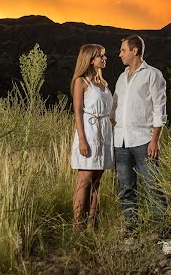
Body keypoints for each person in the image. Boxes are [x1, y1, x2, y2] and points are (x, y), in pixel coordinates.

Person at [111, 35, 171, 255]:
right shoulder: (121, 78)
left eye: (122, 50)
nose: (119, 54)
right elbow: (115, 107)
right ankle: (131, 233)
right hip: (121, 141)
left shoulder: (153, 75)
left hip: (143, 141)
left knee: (154, 188)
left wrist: (155, 139)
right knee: (126, 189)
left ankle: (165, 238)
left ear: (135, 51)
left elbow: (160, 109)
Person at [71, 43, 114, 230]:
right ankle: (78, 226)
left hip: (104, 131)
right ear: (90, 60)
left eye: (104, 56)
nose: (105, 59)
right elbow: (78, 112)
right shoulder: (81, 82)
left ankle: (92, 225)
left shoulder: (104, 84)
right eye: (101, 56)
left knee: (97, 179)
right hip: (88, 131)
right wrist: (82, 139)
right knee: (85, 179)